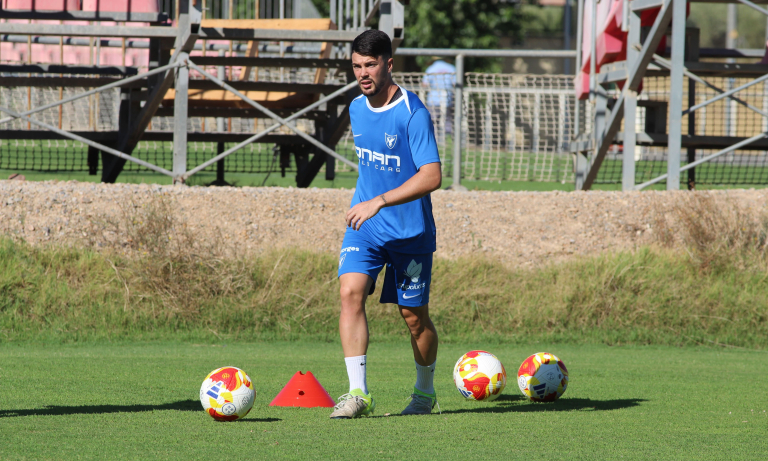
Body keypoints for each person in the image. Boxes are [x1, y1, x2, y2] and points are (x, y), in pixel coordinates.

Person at [330, 29, 442, 419]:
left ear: (388, 64)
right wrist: (368, 204)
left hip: (410, 233)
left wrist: (380, 201)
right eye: (357, 66)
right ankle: (357, 393)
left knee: (414, 318)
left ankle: (424, 394)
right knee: (349, 293)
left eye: (371, 65)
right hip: (368, 227)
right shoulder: (356, 108)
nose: (363, 74)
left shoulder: (413, 113)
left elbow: (432, 175)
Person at [423, 58, 456, 142]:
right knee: (447, 120)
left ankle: (435, 140)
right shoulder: (451, 68)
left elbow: (425, 84)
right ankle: (447, 140)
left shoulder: (431, 68)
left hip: (433, 100)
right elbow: (455, 84)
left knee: (433, 121)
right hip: (447, 99)